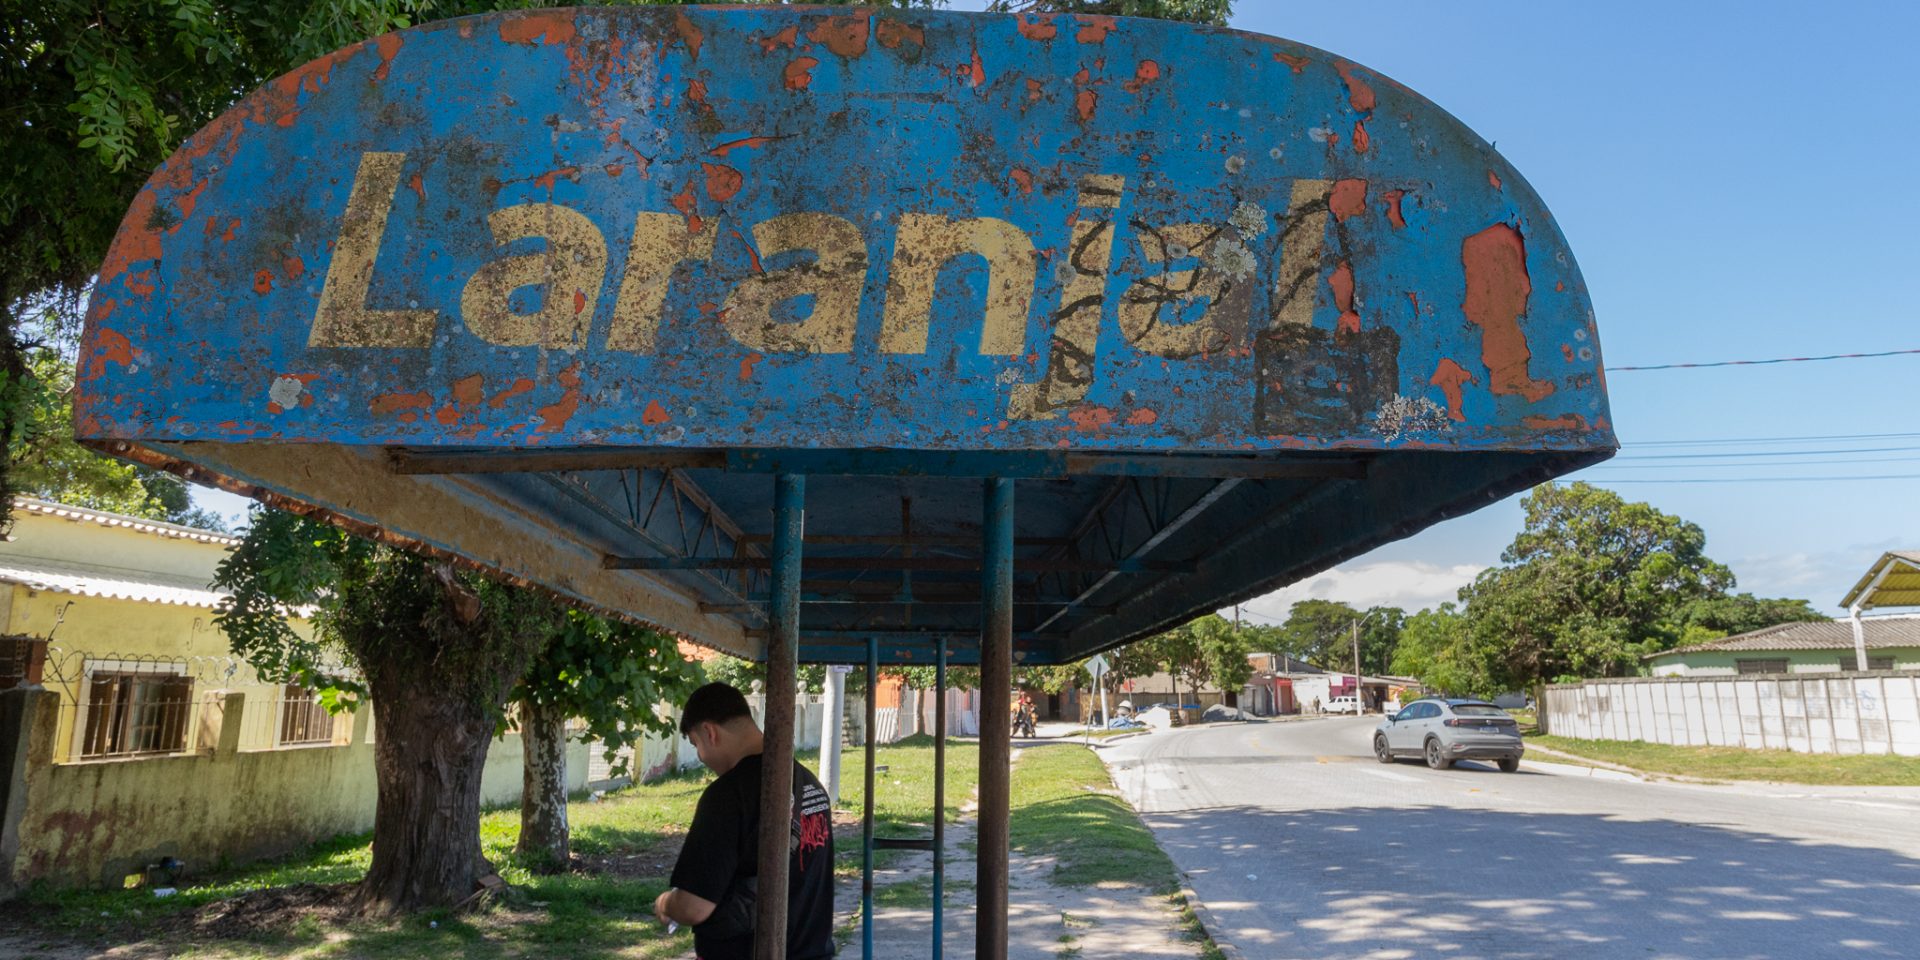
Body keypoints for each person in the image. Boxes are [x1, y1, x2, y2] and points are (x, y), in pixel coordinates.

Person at [655, 682, 835, 960]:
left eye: (695, 744)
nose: (701, 757)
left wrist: (667, 904)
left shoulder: (727, 795)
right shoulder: (808, 784)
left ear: (709, 732)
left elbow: (694, 906)